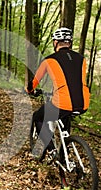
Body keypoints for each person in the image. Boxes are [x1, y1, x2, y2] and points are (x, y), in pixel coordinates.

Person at [26, 27, 90, 162]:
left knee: (37, 117)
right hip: (83, 103)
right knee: (65, 116)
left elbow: (35, 82)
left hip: (63, 103)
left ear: (55, 42)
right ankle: (66, 146)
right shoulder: (82, 59)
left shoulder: (49, 60)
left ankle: (52, 150)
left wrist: (28, 91)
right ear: (70, 43)